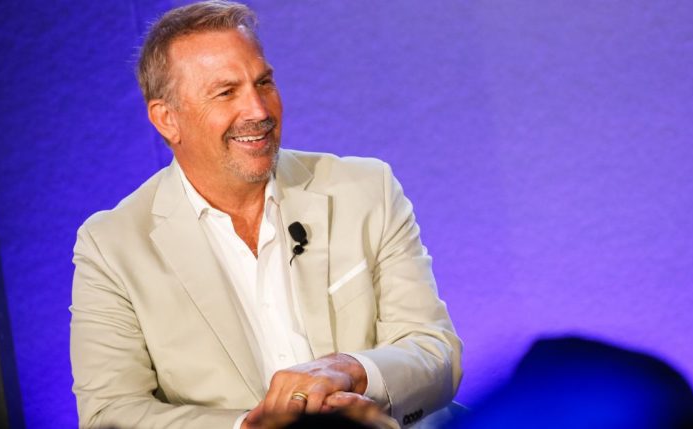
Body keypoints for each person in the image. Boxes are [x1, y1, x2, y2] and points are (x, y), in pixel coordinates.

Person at [69, 1, 462, 428]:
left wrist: (352, 369)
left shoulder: (366, 189)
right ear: (167, 120)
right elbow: (110, 413)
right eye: (226, 92)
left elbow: (435, 351)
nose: (258, 111)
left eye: (264, 82)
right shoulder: (112, 247)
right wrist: (252, 427)